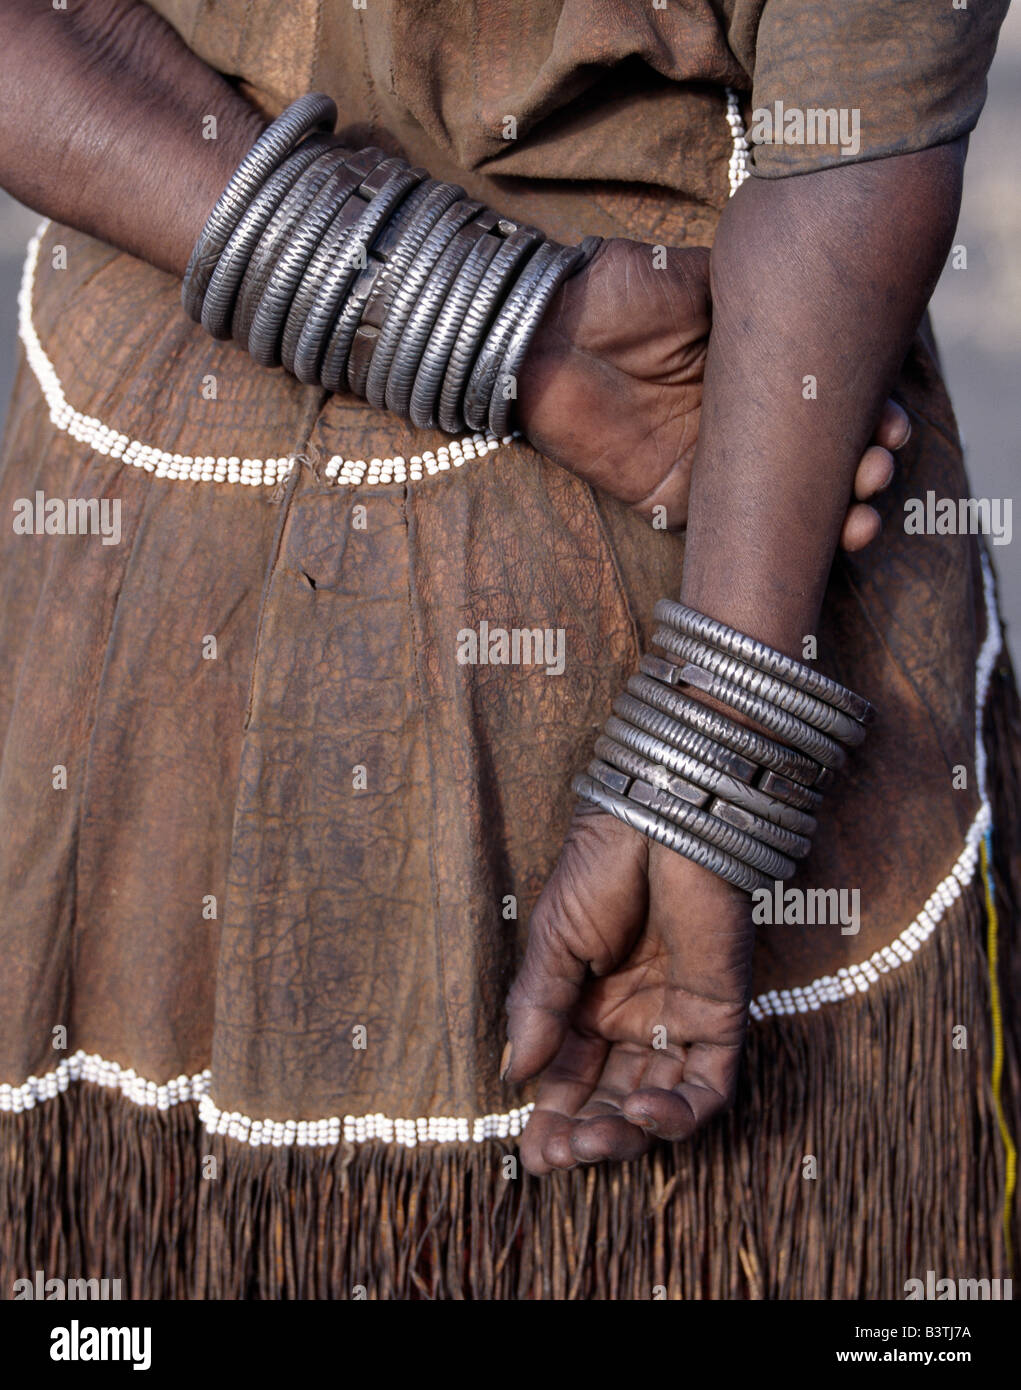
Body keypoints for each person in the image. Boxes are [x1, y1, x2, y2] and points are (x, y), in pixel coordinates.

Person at [0, 0, 1016, 1299]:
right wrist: (711, 755)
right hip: (728, 483)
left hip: (155, 546)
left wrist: (469, 314)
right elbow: (849, 142)